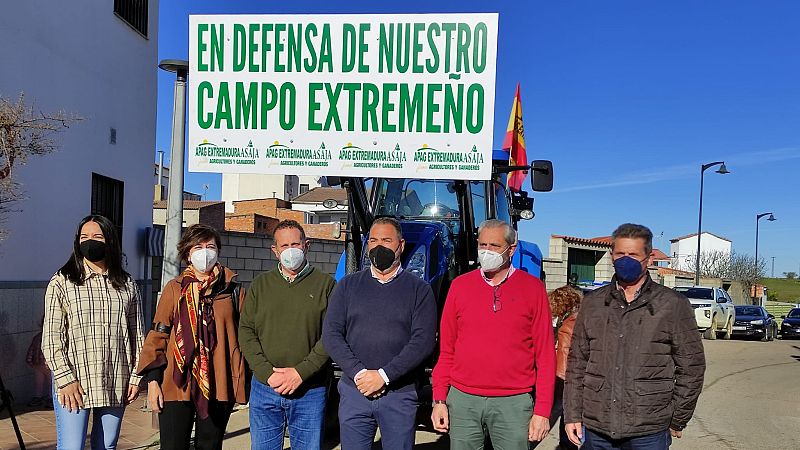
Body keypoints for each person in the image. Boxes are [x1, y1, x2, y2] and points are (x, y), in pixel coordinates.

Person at [563, 224, 706, 449]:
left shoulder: (672, 305)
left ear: (648, 258)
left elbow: (692, 367)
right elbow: (577, 363)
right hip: (598, 426)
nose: (625, 260)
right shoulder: (593, 303)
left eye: (633, 254)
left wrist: (678, 417)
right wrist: (572, 414)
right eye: (620, 254)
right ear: (611, 256)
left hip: (648, 429)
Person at [431, 219, 556, 450]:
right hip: (463, 400)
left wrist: (542, 411)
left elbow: (546, 356)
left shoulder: (533, 289)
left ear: (512, 249)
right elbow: (447, 350)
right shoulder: (459, 286)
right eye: (482, 245)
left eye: (494, 246)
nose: (486, 252)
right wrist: (439, 399)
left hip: (514, 403)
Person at [323, 217, 437, 450]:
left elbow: (422, 342)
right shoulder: (347, 286)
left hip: (399, 394)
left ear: (401, 245)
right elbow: (332, 334)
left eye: (386, 240)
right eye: (373, 240)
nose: (379, 246)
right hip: (356, 391)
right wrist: (360, 374)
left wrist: (384, 376)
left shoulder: (420, 290)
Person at [137, 224, 247, 450]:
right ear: (187, 253)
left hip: (218, 384)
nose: (205, 252)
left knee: (210, 446)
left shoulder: (233, 291)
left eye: (210, 246)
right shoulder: (174, 289)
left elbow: (246, 337)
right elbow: (159, 335)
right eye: (198, 247)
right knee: (173, 445)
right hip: (176, 382)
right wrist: (154, 381)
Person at [42, 215, 145, 449]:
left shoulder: (127, 284)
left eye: (97, 236)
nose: (90, 241)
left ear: (110, 240)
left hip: (116, 377)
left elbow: (137, 336)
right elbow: (51, 338)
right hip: (75, 380)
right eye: (84, 237)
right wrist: (65, 379)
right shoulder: (62, 282)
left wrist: (136, 378)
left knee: (107, 445)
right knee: (72, 446)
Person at [238, 220, 336, 450]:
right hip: (265, 387)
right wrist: (266, 373)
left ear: (306, 245)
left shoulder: (326, 285)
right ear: (275, 251)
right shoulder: (260, 285)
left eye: (295, 244)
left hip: (310, 389)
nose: (290, 250)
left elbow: (331, 335)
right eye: (284, 245)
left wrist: (301, 373)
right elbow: (246, 331)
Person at [545, 285, 583, 450]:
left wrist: (557, 385)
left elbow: (564, 357)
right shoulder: (582, 318)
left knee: (562, 420)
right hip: (581, 383)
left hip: (565, 383)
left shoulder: (568, 324)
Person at [27, 315, 53, 409]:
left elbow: (31, 350)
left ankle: (44, 397)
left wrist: (30, 361)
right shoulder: (42, 338)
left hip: (41, 364)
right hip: (42, 365)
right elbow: (32, 350)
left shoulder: (38, 337)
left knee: (45, 383)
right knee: (44, 382)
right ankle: (41, 397)